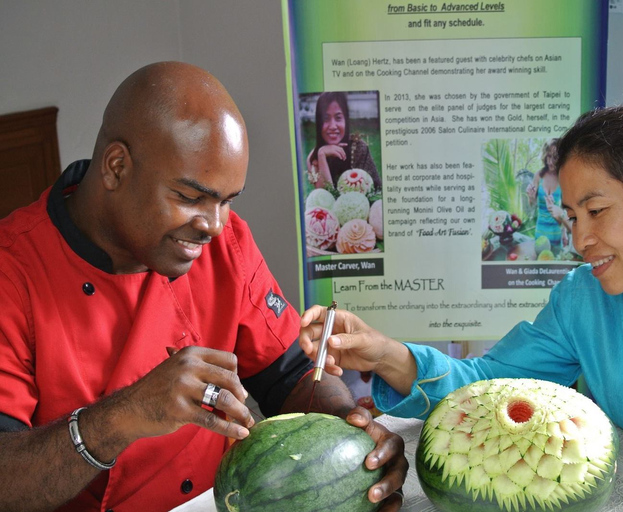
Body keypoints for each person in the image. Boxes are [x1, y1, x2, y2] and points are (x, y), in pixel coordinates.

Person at [0, 62, 406, 512]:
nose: (214, 225)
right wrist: (121, 418)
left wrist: (352, 441)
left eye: (227, 200)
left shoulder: (226, 243)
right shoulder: (11, 273)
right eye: (190, 198)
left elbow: (292, 376)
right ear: (116, 167)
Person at [300, 103, 623, 478]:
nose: (580, 240)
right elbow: (488, 387)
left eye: (597, 211)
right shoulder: (581, 300)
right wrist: (385, 354)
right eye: (571, 217)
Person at [305, 91, 382, 191]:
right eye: (326, 119)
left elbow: (377, 191)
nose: (332, 126)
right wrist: (321, 155)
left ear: (345, 120)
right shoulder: (313, 158)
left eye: (338, 118)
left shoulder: (358, 148)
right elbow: (325, 197)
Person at [526, 138, 570, 250]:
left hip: (556, 233)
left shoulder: (563, 178)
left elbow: (564, 210)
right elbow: (532, 206)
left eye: (554, 157)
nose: (550, 161)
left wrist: (564, 233)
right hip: (540, 231)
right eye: (548, 156)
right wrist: (531, 198)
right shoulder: (539, 175)